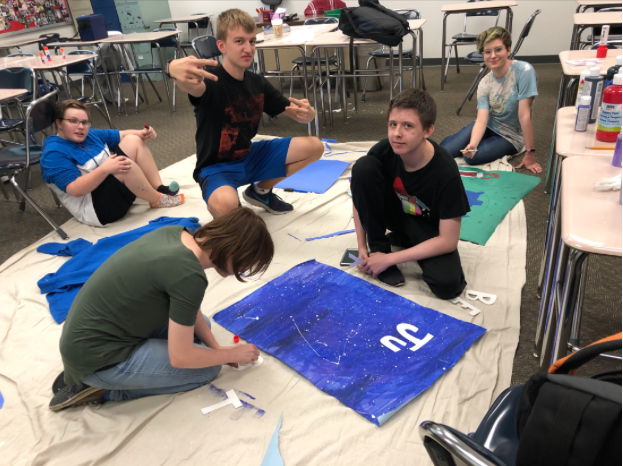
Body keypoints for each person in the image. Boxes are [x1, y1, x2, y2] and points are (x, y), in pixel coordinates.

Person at [49, 207, 273, 411]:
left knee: (202, 326)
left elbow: (187, 301)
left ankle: (100, 373)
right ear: (233, 251)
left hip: (88, 337)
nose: (242, 271)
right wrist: (228, 355)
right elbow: (181, 357)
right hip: (98, 358)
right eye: (245, 264)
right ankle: (104, 389)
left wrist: (218, 349)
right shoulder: (189, 275)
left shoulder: (178, 234)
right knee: (207, 370)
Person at [167, 8, 324, 218]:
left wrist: (309, 114)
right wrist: (171, 68)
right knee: (227, 206)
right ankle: (230, 207)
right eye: (239, 41)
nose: (248, 48)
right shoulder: (210, 80)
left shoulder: (257, 83)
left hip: (250, 157)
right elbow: (191, 85)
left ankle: (260, 191)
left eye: (252, 41)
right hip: (217, 167)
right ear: (221, 45)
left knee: (314, 146)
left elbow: (295, 111)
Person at [351, 89, 470, 299]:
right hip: (394, 214)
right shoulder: (383, 151)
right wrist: (363, 246)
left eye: (408, 126)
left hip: (425, 224)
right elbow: (361, 195)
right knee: (363, 167)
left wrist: (391, 261)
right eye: (393, 124)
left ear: (427, 130)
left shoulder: (445, 171)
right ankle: (380, 248)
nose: (397, 133)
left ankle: (401, 243)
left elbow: (448, 240)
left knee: (447, 285)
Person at [41, 100, 184, 227]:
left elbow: (121, 135)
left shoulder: (89, 135)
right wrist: (105, 169)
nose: (80, 127)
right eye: (73, 121)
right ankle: (157, 200)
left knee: (133, 140)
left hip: (109, 190)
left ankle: (157, 188)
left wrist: (142, 134)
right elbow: (75, 189)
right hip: (97, 211)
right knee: (123, 165)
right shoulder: (53, 154)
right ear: (59, 123)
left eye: (84, 122)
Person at [440, 26, 542, 173]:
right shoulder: (484, 83)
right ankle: (468, 140)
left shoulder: (524, 71)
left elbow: (524, 115)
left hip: (511, 136)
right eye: (487, 52)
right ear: (483, 54)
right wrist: (474, 143)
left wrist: (530, 152)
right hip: (489, 124)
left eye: (498, 49)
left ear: (508, 50)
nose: (493, 55)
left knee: (470, 158)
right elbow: (481, 120)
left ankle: (472, 142)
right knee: (445, 151)